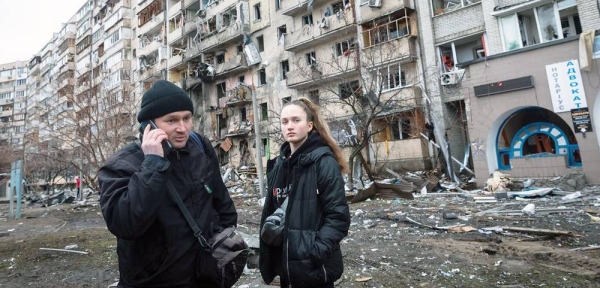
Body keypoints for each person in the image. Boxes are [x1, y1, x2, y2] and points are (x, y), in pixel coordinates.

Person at [98, 80, 238, 288]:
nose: (182, 128)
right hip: (154, 281)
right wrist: (153, 164)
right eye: (171, 120)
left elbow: (223, 205)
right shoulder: (120, 166)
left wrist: (222, 246)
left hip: (204, 276)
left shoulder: (200, 148)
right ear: (149, 126)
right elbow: (124, 223)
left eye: (187, 118)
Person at [259, 97, 351, 287]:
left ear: (310, 126)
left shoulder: (324, 162)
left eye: (296, 120)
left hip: (315, 270)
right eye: (284, 122)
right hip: (287, 271)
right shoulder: (278, 165)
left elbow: (338, 217)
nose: (289, 126)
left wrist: (313, 252)